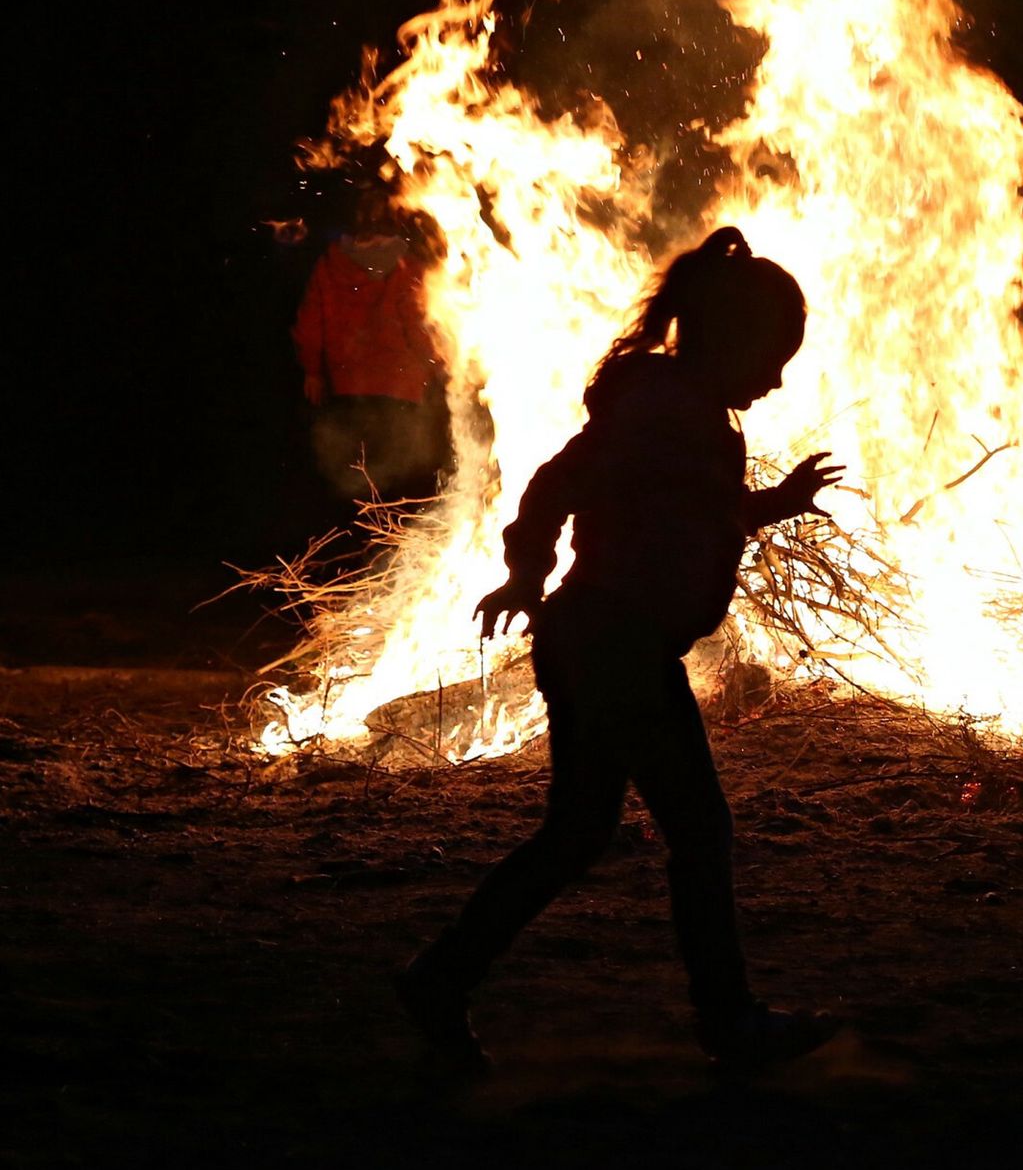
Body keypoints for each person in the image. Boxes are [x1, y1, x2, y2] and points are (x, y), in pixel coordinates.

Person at [394, 227, 845, 1075]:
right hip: (615, 645)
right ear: (730, 341)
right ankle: (729, 1022)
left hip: (599, 641)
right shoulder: (663, 408)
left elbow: (690, 512)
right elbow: (555, 484)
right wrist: (525, 574)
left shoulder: (683, 410)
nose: (777, 379)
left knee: (577, 832)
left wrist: (772, 503)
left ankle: (441, 977)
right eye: (772, 358)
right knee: (699, 829)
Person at [292, 184, 446, 501]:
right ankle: (394, 528)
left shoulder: (330, 264)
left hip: (348, 385)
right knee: (401, 476)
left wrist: (313, 372)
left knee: (353, 473)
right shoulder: (406, 266)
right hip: (402, 387)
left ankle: (354, 525)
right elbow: (417, 326)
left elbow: (310, 321)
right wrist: (437, 364)